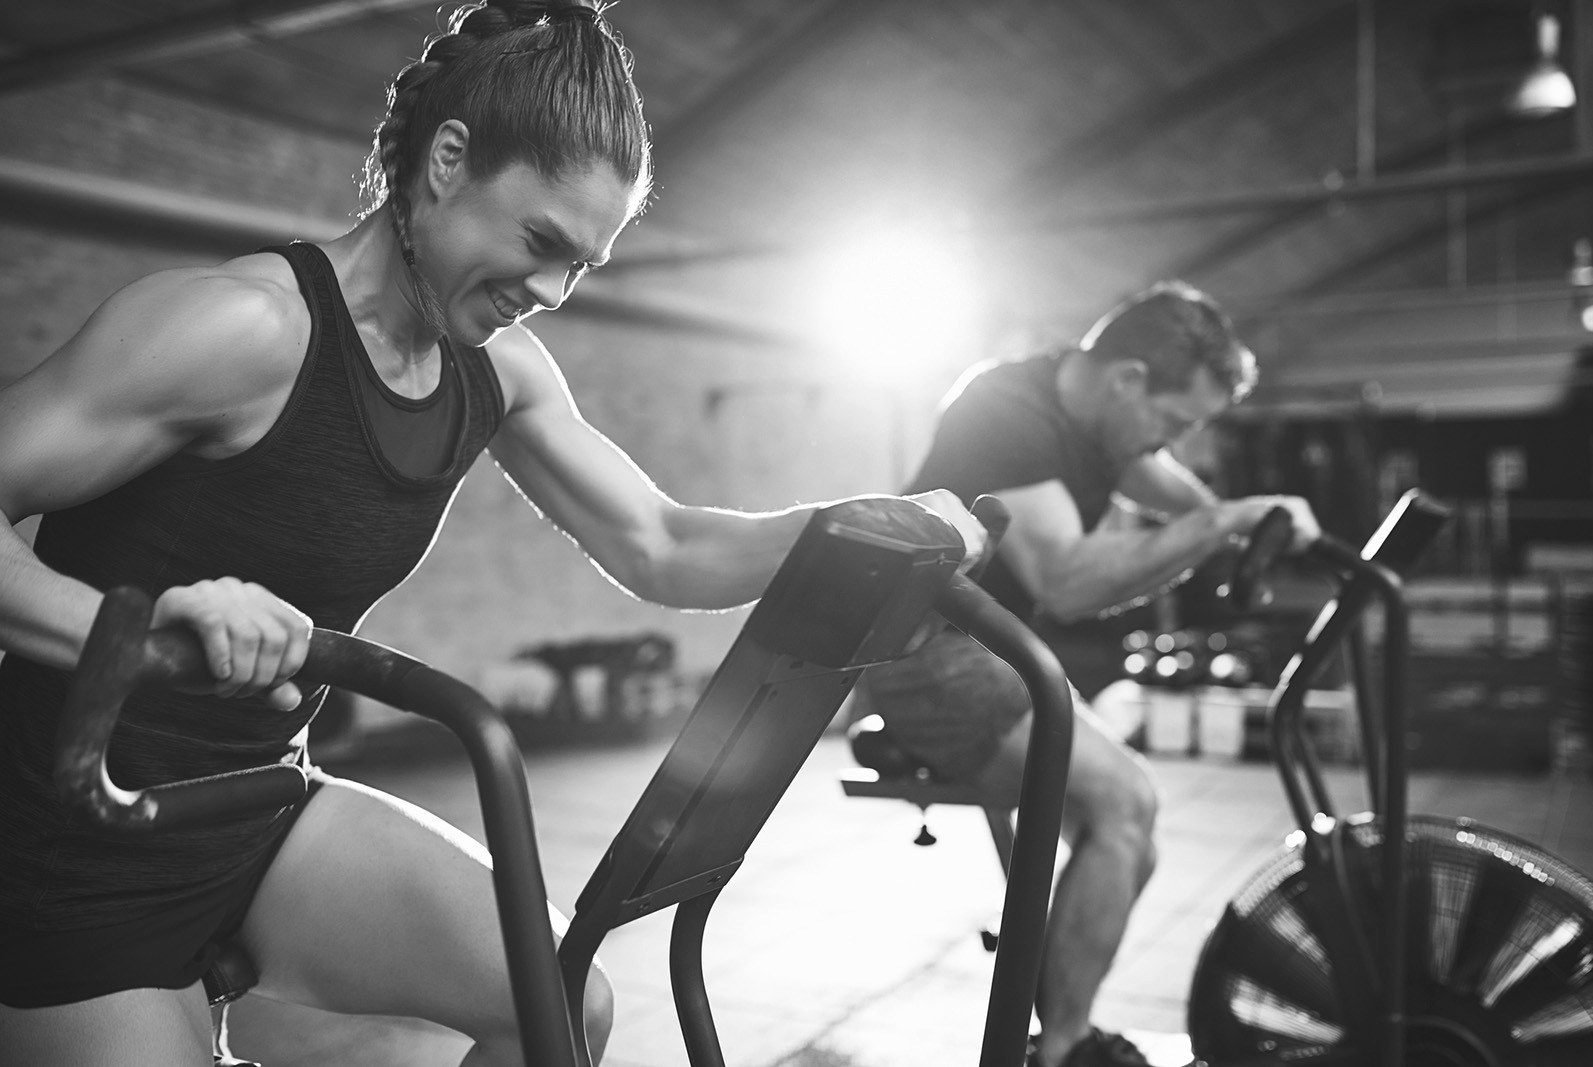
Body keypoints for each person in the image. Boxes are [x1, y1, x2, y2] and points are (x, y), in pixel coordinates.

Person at [0, 4, 987, 1066]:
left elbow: (661, 542)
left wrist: (861, 523)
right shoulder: (241, 330)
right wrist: (134, 628)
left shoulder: (494, 377)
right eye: (541, 242)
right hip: (67, 828)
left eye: (584, 266)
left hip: (254, 802)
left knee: (565, 1003)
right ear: (448, 160)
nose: (553, 292)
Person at [855, 281, 1321, 1067]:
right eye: (1175, 422)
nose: (1172, 440)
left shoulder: (1095, 421)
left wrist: (1244, 519)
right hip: (922, 655)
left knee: (1132, 838)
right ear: (1128, 380)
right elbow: (1066, 581)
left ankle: (1054, 1021)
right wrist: (1217, 526)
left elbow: (1159, 478)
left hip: (987, 649)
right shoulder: (1007, 409)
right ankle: (1061, 1049)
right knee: (1124, 802)